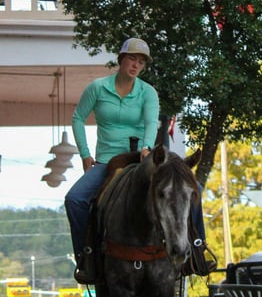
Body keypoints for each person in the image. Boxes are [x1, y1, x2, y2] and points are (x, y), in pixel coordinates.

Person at [64, 37, 215, 284]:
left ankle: (197, 250)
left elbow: (150, 122)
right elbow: (78, 118)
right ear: (121, 59)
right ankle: (86, 257)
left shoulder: (148, 92)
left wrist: (146, 147)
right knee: (75, 199)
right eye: (132, 59)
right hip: (107, 161)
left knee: (194, 188)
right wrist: (85, 154)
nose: (136, 65)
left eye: (141, 62)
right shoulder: (97, 88)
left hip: (142, 159)